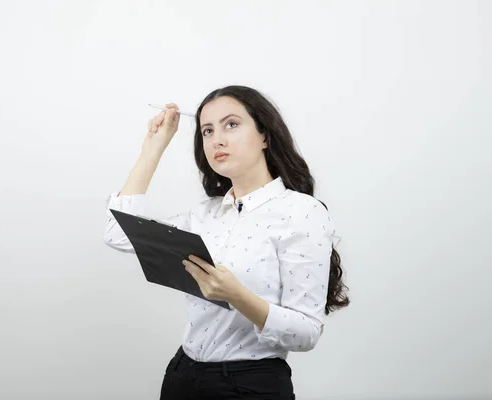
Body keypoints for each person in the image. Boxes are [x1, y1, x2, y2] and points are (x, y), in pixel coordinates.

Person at [103, 85, 350, 399]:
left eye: (231, 124)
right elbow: (116, 234)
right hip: (182, 377)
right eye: (207, 131)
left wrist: (236, 296)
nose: (216, 139)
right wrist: (153, 147)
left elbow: (306, 333)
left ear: (265, 135)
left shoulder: (301, 212)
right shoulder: (204, 215)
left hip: (249, 385)